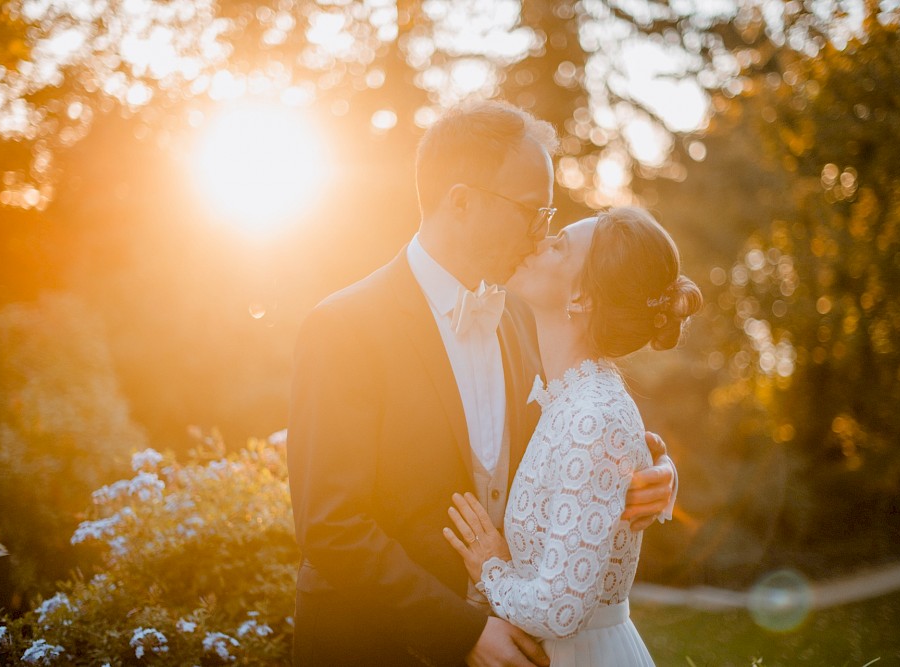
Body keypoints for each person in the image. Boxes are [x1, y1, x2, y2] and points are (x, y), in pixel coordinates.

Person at [286, 102, 678, 667]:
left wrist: (653, 473)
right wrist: (463, 631)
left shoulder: (527, 320)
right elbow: (331, 528)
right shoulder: (342, 328)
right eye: (530, 211)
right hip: (375, 646)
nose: (541, 231)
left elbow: (580, 436)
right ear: (462, 202)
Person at [444, 207, 703, 666]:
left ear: (581, 297)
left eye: (558, 243)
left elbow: (561, 610)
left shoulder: (593, 414)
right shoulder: (562, 392)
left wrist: (491, 569)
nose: (539, 240)